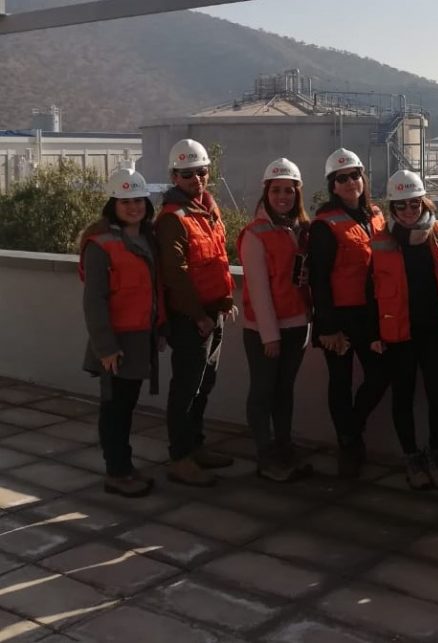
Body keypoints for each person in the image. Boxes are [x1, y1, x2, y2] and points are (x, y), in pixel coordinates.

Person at [80, 167, 163, 497]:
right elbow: (94, 301)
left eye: (138, 200)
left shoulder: (148, 239)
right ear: (113, 204)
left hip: (141, 337)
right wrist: (106, 347)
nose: (133, 207)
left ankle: (123, 466)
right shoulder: (100, 245)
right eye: (125, 201)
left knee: (126, 408)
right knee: (115, 410)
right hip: (116, 343)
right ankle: (117, 472)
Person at [156, 138, 235, 487]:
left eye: (201, 172)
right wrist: (199, 316)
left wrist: (224, 302)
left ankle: (195, 446)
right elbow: (176, 275)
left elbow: (216, 261)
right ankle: (180, 458)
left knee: (205, 384)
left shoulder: (207, 210)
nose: (196, 179)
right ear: (174, 177)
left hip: (213, 313)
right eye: (187, 174)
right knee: (186, 388)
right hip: (192, 319)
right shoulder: (172, 219)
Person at [308, 147, 389, 478]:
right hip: (339, 317)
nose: (350, 182)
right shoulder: (324, 225)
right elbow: (318, 279)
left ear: (362, 178)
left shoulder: (376, 215)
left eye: (354, 175)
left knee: (381, 374)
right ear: (333, 185)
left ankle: (352, 428)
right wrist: (327, 327)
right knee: (340, 382)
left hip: (371, 315)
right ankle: (349, 446)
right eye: (341, 178)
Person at [368, 170, 438, 490]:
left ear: (423, 202)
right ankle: (411, 457)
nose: (408, 211)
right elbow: (370, 290)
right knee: (402, 396)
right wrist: (374, 333)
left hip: (436, 332)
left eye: (414, 204)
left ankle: (436, 454)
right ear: (392, 207)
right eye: (400, 206)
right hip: (399, 334)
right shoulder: (381, 241)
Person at [237, 158, 313, 482]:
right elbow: (258, 289)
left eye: (289, 190)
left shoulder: (301, 229)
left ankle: (285, 449)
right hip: (265, 332)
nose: (283, 196)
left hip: (297, 325)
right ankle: (265, 456)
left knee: (284, 392)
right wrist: (270, 335)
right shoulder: (255, 234)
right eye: (277, 190)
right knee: (263, 392)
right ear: (266, 192)